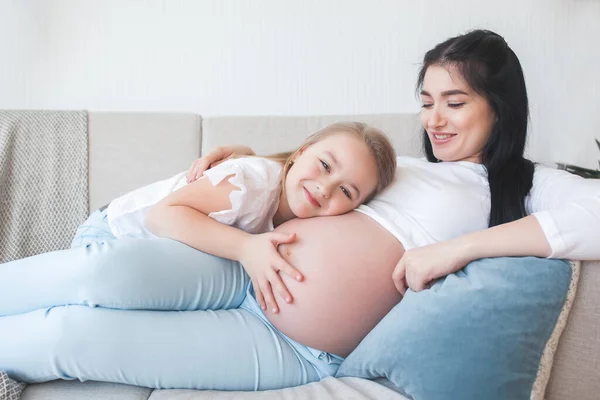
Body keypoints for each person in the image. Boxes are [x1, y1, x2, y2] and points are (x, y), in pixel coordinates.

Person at [1, 29, 599, 392]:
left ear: (500, 106)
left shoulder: (519, 187)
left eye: (455, 102)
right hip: (242, 267)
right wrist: (260, 161)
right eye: (426, 102)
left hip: (291, 345)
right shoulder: (398, 165)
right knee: (99, 273)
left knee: (75, 336)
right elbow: (306, 181)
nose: (434, 121)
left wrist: (457, 249)